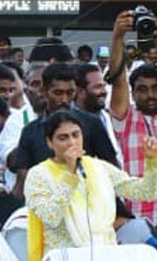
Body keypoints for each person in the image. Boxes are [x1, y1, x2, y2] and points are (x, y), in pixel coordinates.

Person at [24, 110, 157, 261]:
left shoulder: (97, 168)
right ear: (49, 142)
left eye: (75, 135)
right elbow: (51, 216)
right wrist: (69, 174)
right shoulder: (38, 175)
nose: (71, 142)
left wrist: (152, 161)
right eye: (63, 137)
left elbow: (143, 192)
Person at [108, 11, 157, 223]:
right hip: (139, 221)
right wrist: (117, 38)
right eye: (142, 89)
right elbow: (118, 80)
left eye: (156, 88)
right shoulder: (125, 118)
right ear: (132, 93)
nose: (150, 94)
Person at [11, 63, 120, 199]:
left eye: (70, 93)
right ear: (44, 91)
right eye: (58, 93)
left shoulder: (91, 123)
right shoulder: (30, 132)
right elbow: (23, 181)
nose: (64, 100)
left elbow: (112, 167)